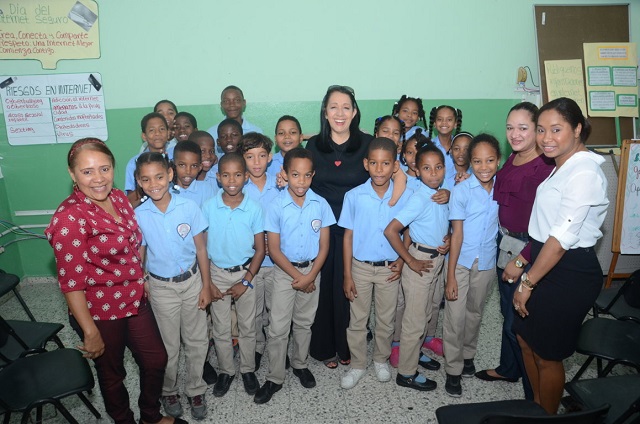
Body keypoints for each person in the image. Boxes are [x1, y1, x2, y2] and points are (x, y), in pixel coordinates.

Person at [45, 138, 184, 424]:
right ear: (72, 174)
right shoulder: (70, 217)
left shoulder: (119, 197)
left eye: (104, 168)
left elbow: (133, 246)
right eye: (87, 171)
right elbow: (71, 283)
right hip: (99, 311)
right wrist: (89, 331)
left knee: (156, 359)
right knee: (112, 373)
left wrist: (140, 276)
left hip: (134, 298)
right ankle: (124, 421)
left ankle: (150, 416)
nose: (98, 178)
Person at [504, 97, 608, 414]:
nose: (546, 138)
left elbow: (561, 238)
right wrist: (524, 260)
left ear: (578, 129)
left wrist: (528, 282)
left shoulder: (584, 173)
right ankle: (536, 405)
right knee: (525, 339)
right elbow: (544, 228)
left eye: (556, 129)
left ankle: (546, 415)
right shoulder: (561, 165)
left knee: (547, 354)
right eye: (541, 130)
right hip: (543, 261)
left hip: (568, 273)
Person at [475, 102, 553, 401]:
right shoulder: (512, 160)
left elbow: (550, 229)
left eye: (523, 128)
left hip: (527, 249)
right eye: (510, 127)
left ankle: (533, 397)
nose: (515, 134)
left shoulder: (544, 168)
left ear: (537, 130)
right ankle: (509, 368)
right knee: (507, 311)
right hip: (504, 243)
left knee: (518, 325)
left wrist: (522, 260)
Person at [135, 152, 212, 421]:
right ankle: (169, 390)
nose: (153, 183)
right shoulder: (139, 215)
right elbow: (140, 252)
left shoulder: (188, 207)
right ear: (139, 181)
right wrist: (141, 280)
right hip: (161, 287)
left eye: (159, 176)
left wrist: (206, 286)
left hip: (192, 282)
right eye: (146, 179)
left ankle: (195, 389)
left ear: (169, 174)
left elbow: (201, 248)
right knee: (168, 346)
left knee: (197, 340)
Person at [255, 148, 335, 404]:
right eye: (295, 174)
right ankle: (275, 377)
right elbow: (274, 250)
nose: (301, 181)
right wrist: (298, 277)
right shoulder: (276, 206)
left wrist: (311, 275)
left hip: (312, 271)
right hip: (284, 273)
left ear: (313, 175)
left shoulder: (320, 204)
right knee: (278, 328)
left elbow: (324, 245)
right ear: (285, 174)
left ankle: (300, 364)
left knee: (304, 323)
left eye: (306, 175)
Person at [306, 85, 373, 368]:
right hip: (321, 230)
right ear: (325, 111)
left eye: (346, 106)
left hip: (356, 231)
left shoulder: (368, 144)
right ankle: (323, 348)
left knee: (349, 289)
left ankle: (347, 346)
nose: (340, 113)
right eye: (333, 106)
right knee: (324, 291)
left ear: (355, 111)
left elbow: (392, 176)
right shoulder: (313, 146)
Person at [340, 138, 410, 390]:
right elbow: (347, 236)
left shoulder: (404, 195)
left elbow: (408, 230)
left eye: (386, 163)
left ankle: (380, 359)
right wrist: (347, 274)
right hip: (359, 267)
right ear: (365, 164)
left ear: (394, 166)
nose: (379, 169)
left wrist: (402, 260)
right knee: (357, 320)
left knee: (386, 318)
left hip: (389, 269)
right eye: (374, 163)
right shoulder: (354, 196)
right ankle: (357, 364)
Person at [385, 143, 450, 392]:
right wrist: (409, 260)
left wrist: (447, 239)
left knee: (425, 314)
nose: (433, 173)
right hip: (419, 263)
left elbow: (438, 223)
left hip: (436, 260)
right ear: (417, 170)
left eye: (438, 167)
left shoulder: (440, 194)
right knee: (414, 320)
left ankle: (416, 354)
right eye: (426, 168)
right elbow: (392, 230)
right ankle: (406, 373)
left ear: (444, 169)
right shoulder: (419, 198)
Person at [201, 152, 265, 397]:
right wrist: (208, 283)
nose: (231, 180)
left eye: (238, 174)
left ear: (246, 177)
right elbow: (203, 249)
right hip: (217, 274)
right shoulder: (208, 207)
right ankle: (226, 371)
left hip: (245, 273)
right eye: (226, 174)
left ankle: (248, 370)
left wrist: (246, 281)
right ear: (218, 177)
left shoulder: (254, 208)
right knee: (220, 327)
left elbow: (260, 250)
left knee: (248, 326)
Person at [444, 134, 501, 398]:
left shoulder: (503, 187)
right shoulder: (462, 190)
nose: (484, 167)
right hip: (461, 262)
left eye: (489, 160)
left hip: (487, 261)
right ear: (470, 162)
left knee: (475, 313)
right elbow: (456, 234)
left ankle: (468, 355)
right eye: (477, 161)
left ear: (498, 161)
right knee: (455, 317)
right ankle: (453, 370)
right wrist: (451, 275)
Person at [238, 132, 281, 370]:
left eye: (261, 156)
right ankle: (256, 347)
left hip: (277, 263)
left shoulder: (280, 183)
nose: (256, 162)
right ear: (242, 159)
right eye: (250, 156)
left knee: (277, 311)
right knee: (252, 313)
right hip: (250, 264)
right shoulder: (238, 187)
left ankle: (278, 349)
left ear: (270, 157)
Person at [126, 112, 170, 208]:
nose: (157, 133)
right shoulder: (134, 162)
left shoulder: (175, 157)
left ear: (168, 133)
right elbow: (129, 202)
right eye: (151, 130)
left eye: (162, 129)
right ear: (144, 136)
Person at [207, 85, 263, 156]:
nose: (232, 105)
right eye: (226, 101)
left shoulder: (256, 132)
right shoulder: (211, 133)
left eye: (237, 100)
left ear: (244, 103)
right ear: (221, 105)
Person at [170, 140, 217, 207]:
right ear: (173, 164)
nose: (188, 171)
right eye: (182, 165)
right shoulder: (168, 191)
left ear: (200, 167)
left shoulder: (206, 189)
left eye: (194, 166)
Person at [428, 105, 462, 182]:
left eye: (449, 119)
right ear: (434, 123)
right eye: (440, 119)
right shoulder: (428, 147)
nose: (444, 123)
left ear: (455, 124)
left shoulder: (462, 147)